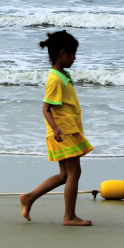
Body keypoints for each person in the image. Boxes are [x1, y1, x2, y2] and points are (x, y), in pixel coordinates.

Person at [19, 30, 94, 226]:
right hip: (62, 131)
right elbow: (46, 109)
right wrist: (55, 129)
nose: (75, 58)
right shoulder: (55, 78)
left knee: (65, 175)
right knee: (74, 173)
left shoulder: (62, 75)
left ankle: (29, 198)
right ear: (63, 53)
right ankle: (69, 216)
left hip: (67, 129)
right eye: (73, 54)